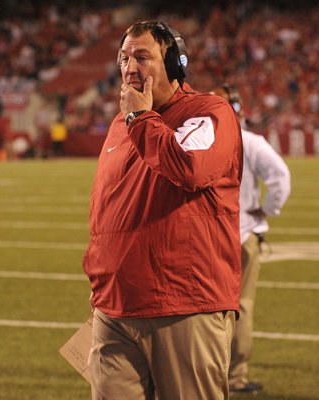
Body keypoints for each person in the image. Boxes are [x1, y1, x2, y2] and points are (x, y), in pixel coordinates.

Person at [83, 21, 243, 399]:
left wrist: (140, 118)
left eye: (142, 57)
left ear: (173, 63)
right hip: (116, 304)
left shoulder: (208, 111)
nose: (129, 68)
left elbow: (191, 168)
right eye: (124, 58)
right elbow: (108, 208)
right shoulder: (120, 125)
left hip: (183, 303)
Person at [212, 84, 291, 394]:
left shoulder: (200, 140)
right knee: (240, 307)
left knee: (204, 309)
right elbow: (280, 179)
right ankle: (234, 377)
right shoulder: (250, 142)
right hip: (243, 234)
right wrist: (266, 209)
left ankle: (203, 373)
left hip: (209, 236)